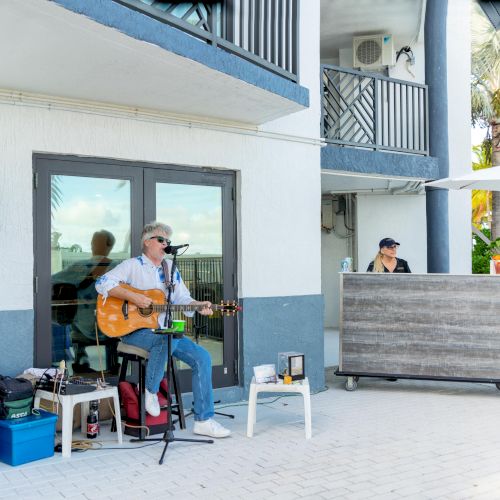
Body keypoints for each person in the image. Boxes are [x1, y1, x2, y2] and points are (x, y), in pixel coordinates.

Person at [95, 221, 231, 439]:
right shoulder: (132, 265)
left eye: (168, 241)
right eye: (161, 240)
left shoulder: (170, 270)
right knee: (167, 339)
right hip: (135, 332)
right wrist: (134, 297)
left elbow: (183, 299)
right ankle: (150, 390)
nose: (166, 244)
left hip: (165, 333)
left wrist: (199, 306)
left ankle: (204, 420)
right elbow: (102, 283)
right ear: (147, 242)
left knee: (202, 357)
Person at [52, 229, 118, 373]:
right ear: (110, 246)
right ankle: (113, 369)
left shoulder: (81, 266)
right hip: (111, 327)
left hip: (84, 328)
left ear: (93, 245)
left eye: (93, 242)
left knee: (69, 324)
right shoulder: (118, 267)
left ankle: (81, 363)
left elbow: (52, 280)